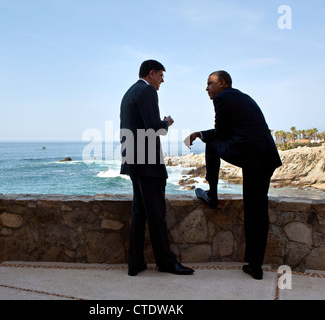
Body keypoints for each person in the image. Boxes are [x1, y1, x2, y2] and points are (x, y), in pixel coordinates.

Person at [184, 71, 282, 280]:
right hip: (265, 157)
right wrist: (201, 134)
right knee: (258, 210)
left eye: (210, 83)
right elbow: (232, 130)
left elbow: (221, 133)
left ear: (223, 84)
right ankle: (255, 265)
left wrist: (200, 134)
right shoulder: (241, 96)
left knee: (211, 144)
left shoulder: (222, 97)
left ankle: (212, 194)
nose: (207, 88)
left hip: (253, 157)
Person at [120, 60, 194, 276]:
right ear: (151, 73)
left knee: (139, 211)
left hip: (133, 160)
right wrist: (166, 123)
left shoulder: (129, 92)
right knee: (156, 213)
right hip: (148, 163)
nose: (162, 80)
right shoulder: (147, 91)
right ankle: (166, 263)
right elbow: (153, 129)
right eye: (161, 75)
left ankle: (135, 263)